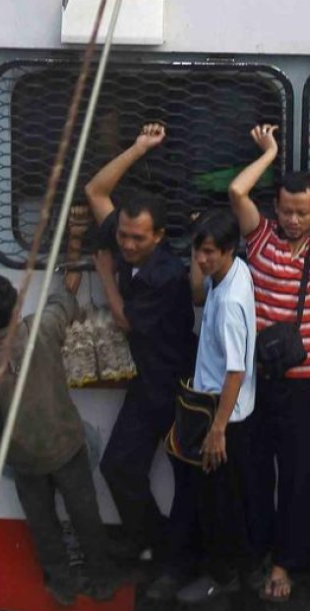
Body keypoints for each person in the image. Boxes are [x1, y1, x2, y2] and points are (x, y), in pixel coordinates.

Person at [228, 124, 310, 602]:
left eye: (303, 211)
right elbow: (237, 192)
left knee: (299, 475)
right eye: (285, 210)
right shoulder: (260, 238)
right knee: (254, 472)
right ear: (275, 209)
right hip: (257, 379)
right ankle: (258, 553)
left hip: (301, 383)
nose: (293, 219)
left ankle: (287, 561)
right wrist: (270, 153)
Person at [0, 245, 119, 606]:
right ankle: (103, 579)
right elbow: (61, 306)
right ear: (17, 305)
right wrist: (69, 282)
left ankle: (62, 585)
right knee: (85, 513)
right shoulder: (41, 329)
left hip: (25, 460)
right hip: (68, 445)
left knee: (43, 523)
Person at [84, 123, 196, 561]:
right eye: (122, 236)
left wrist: (106, 276)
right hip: (146, 379)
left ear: (159, 237)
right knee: (119, 466)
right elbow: (96, 191)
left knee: (180, 474)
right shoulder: (127, 234)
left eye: (137, 239)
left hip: (170, 384)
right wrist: (138, 148)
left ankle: (173, 549)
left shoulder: (164, 274)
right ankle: (153, 540)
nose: (127, 245)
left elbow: (127, 321)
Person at [173, 209, 257, 603]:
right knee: (226, 500)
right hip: (227, 412)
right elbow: (197, 292)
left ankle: (222, 579)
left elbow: (235, 372)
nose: (201, 259)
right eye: (196, 251)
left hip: (222, 416)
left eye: (208, 252)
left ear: (228, 249)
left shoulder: (229, 304)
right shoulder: (234, 272)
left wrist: (217, 430)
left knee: (218, 504)